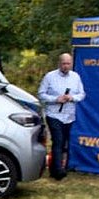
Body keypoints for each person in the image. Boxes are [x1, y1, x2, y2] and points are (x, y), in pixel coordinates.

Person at [37, 52, 85, 180]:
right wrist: (56, 99)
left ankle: (56, 167)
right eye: (64, 63)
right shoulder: (50, 77)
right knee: (58, 140)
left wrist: (72, 98)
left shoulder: (75, 77)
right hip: (54, 114)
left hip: (69, 115)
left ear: (71, 64)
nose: (66, 66)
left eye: (68, 64)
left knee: (64, 142)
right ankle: (58, 171)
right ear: (59, 63)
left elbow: (82, 94)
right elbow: (41, 94)